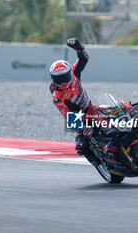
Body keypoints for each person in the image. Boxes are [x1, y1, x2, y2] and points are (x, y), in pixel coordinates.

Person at [49, 38, 100, 166]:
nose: (62, 80)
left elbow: (84, 58)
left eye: (64, 76)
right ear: (53, 79)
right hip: (79, 118)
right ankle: (97, 162)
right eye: (58, 78)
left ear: (69, 72)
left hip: (91, 108)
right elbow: (68, 115)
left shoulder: (74, 73)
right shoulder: (57, 96)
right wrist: (82, 127)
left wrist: (78, 46)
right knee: (81, 146)